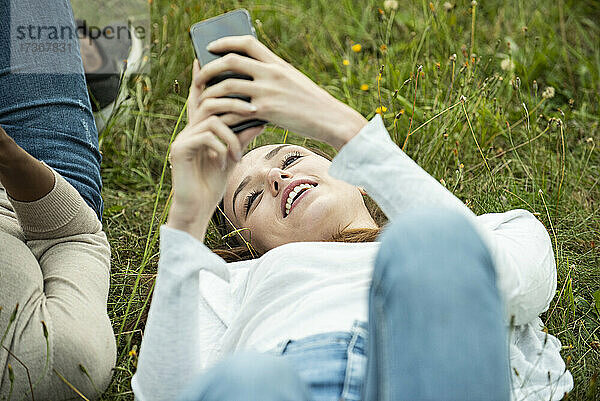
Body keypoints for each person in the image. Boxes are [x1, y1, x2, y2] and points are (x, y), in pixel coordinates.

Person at [131, 35, 573, 401]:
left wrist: (342, 126)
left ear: (360, 177)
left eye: (291, 156)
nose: (274, 176)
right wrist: (188, 214)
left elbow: (517, 286)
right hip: (286, 381)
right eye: (248, 200)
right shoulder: (230, 286)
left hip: (432, 376)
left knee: (433, 237)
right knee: (250, 380)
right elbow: (166, 394)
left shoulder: (492, 231)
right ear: (252, 246)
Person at [0, 0, 115, 399]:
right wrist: (5, 154)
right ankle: (102, 65)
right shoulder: (46, 366)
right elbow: (75, 237)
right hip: (36, 181)